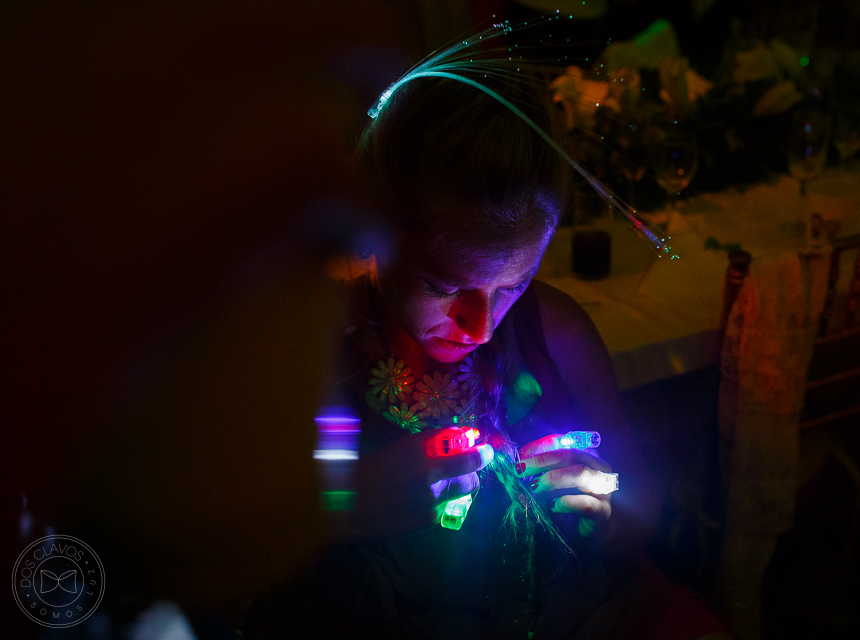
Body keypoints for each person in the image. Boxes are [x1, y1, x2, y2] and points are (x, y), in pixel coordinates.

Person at [244, 66, 730, 639]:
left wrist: (603, 515)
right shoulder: (309, 349)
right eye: (443, 286)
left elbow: (641, 509)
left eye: (512, 287)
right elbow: (212, 554)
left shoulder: (555, 333)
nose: (479, 327)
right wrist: (345, 507)